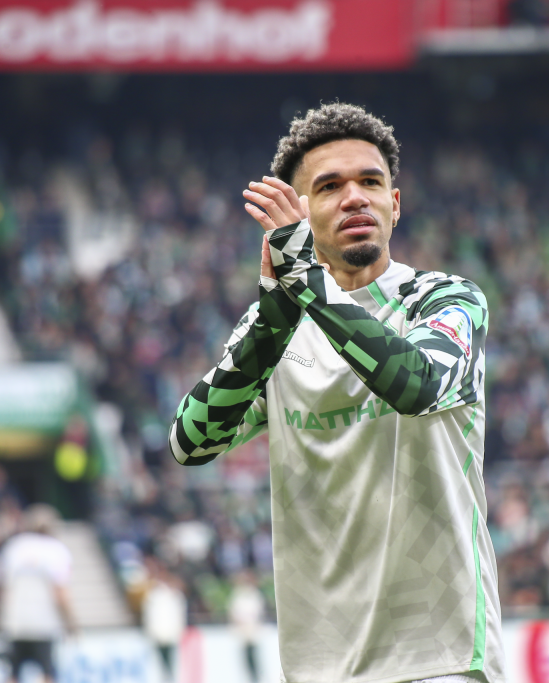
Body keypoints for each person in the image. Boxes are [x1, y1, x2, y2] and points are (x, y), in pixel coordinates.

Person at [169, 103, 504, 683]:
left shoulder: (445, 299)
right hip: (319, 668)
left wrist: (305, 280)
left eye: (370, 182)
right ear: (296, 216)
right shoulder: (275, 327)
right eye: (329, 187)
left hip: (441, 660)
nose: (355, 198)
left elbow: (416, 384)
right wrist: (275, 314)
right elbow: (190, 442)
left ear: (394, 204)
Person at [0, 504, 76, 683]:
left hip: (15, 622)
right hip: (44, 623)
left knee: (13, 673)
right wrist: (71, 624)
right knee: (47, 673)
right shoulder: (56, 550)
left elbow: (3, 587)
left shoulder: (13, 547)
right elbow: (60, 593)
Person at [141, 560, 187, 683]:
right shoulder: (153, 595)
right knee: (160, 663)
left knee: (172, 661)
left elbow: (178, 615)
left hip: (170, 633)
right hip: (158, 633)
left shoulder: (173, 595)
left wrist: (178, 630)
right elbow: (150, 615)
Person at [228, 571, 266, 683]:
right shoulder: (238, 594)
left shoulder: (255, 594)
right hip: (242, 631)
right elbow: (233, 612)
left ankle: (257, 677)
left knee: (255, 655)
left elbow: (258, 612)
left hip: (253, 630)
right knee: (245, 656)